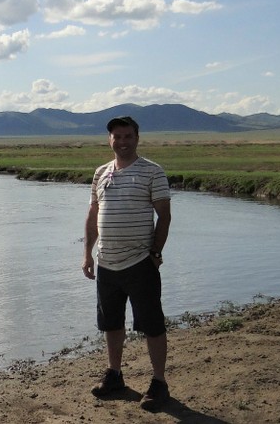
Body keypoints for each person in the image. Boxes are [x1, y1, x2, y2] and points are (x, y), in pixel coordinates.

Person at [82, 115, 172, 412]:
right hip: (106, 262)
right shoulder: (101, 173)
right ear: (109, 139)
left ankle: (159, 382)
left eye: (127, 136)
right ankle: (115, 374)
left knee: (152, 324)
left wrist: (155, 254)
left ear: (137, 138)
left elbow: (164, 216)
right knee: (111, 322)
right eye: (116, 136)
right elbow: (93, 215)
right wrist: (87, 254)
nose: (122, 142)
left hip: (139, 262)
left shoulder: (152, 172)